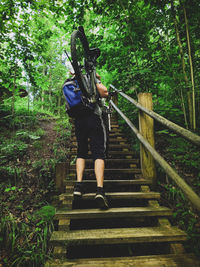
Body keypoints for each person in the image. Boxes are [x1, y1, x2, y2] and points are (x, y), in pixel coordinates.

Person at [70, 67, 109, 209]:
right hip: (93, 116)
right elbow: (103, 92)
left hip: (79, 119)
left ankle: (78, 186)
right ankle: (99, 190)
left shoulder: (72, 81)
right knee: (98, 152)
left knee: (81, 151)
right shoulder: (91, 76)